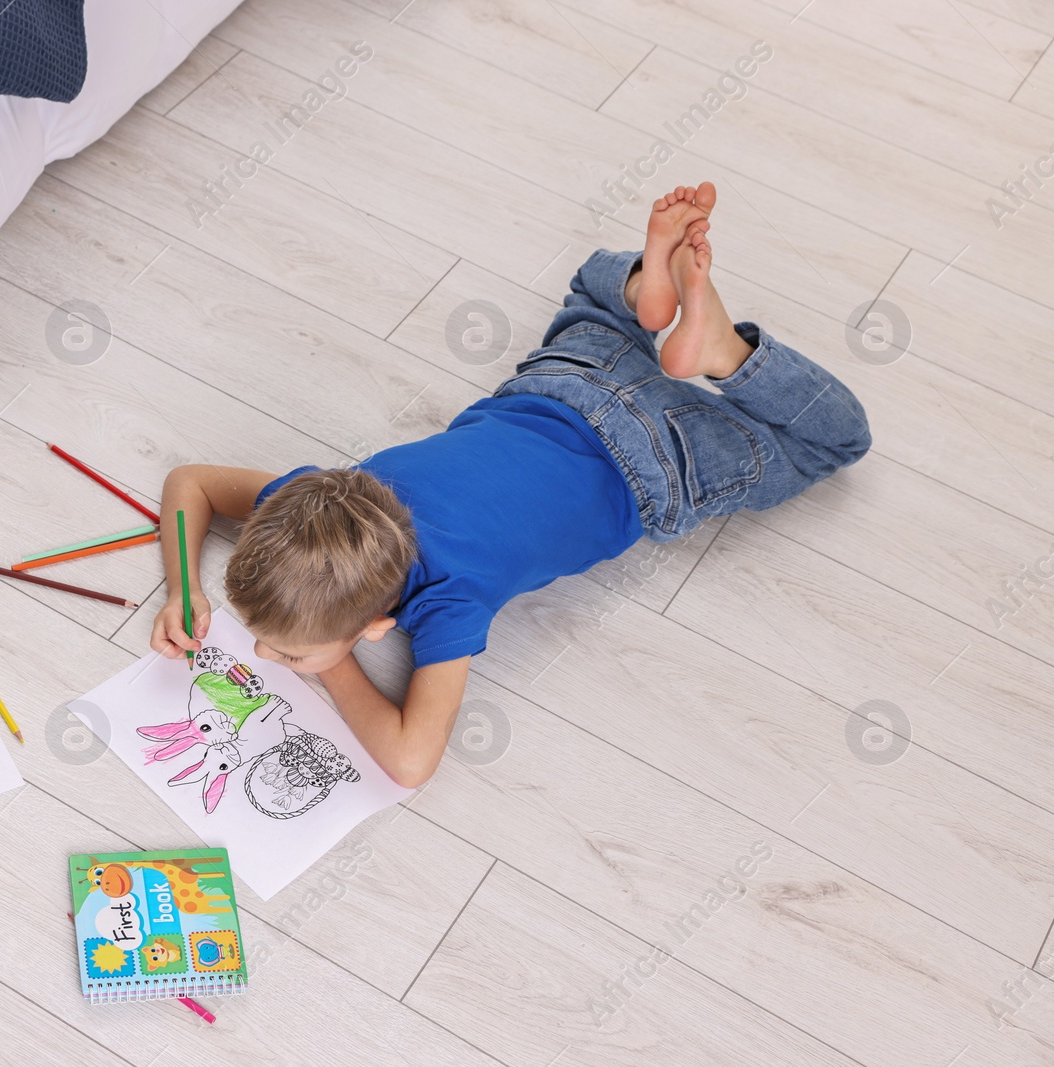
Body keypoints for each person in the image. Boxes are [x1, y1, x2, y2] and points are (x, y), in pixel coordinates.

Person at [151, 183, 872, 787]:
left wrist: (332, 666)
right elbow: (193, 483)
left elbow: (408, 762)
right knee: (590, 292)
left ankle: (728, 354)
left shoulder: (449, 600)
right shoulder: (326, 494)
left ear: (375, 627)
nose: (266, 657)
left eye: (291, 652)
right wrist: (185, 586)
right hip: (566, 383)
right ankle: (648, 297)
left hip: (660, 461)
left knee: (834, 439)